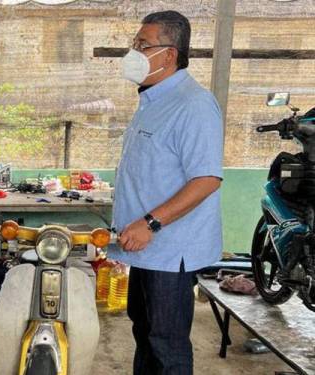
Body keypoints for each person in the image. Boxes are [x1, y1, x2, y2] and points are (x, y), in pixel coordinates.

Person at [111, 11, 223, 375]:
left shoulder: (193, 104)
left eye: (143, 45)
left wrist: (150, 223)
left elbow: (206, 180)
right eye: (135, 44)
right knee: (145, 335)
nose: (134, 52)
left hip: (168, 250)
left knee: (167, 346)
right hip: (144, 248)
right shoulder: (153, 101)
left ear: (169, 54)